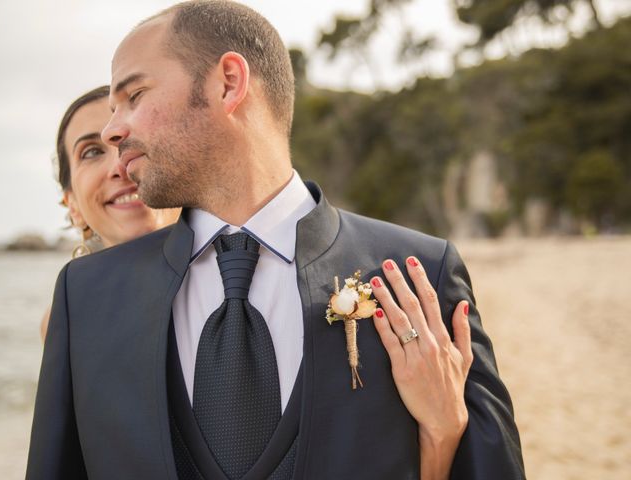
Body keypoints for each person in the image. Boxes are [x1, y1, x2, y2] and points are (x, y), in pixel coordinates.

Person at [27, 2, 525, 479]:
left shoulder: (418, 273)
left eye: (134, 96)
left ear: (228, 83)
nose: (114, 131)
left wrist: (444, 432)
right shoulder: (84, 296)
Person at [39, 86, 180, 340]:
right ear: (73, 205)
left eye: (135, 141)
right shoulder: (65, 323)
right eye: (91, 152)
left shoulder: (247, 281)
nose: (120, 165)